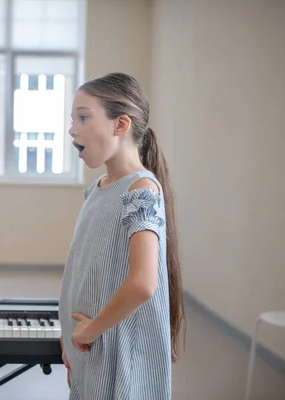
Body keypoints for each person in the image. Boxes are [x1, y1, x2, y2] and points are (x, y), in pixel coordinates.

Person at [58, 72, 185, 399]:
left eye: (83, 117)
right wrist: (72, 338)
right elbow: (82, 272)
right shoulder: (98, 190)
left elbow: (143, 283)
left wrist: (90, 330)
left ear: (121, 125)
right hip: (91, 348)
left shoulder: (141, 189)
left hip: (120, 351)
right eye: (72, 119)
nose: (72, 129)